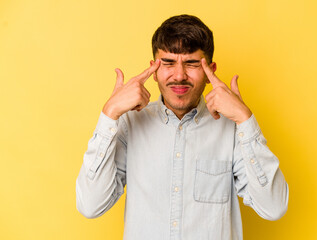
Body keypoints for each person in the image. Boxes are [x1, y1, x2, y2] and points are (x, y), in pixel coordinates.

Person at [76, 14, 289, 240]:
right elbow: (90, 205)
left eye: (192, 63)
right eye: (168, 62)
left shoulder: (234, 129)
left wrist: (245, 120)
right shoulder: (129, 123)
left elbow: (274, 207)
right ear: (154, 70)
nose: (179, 75)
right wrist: (109, 115)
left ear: (211, 71)